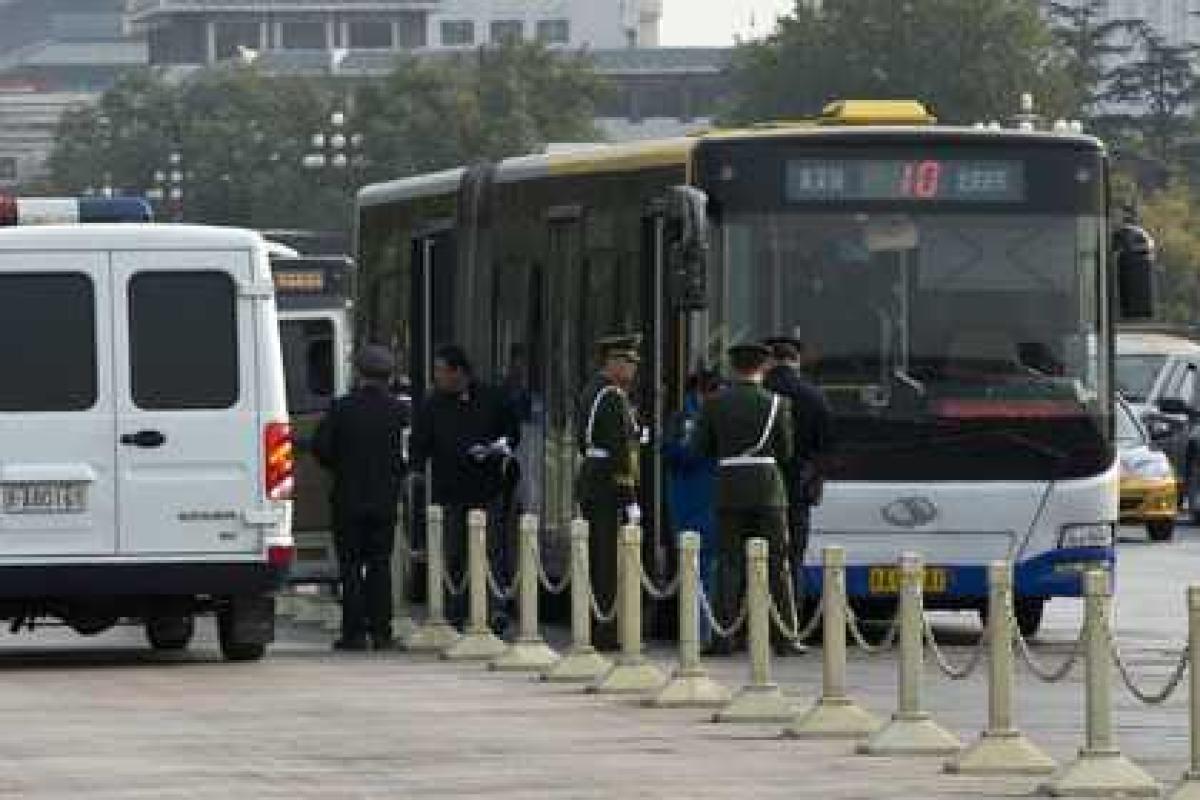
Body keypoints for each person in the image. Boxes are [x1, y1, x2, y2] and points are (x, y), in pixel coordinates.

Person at [409, 344, 520, 631]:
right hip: (451, 491)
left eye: (441, 371)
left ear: (458, 372)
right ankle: (454, 612)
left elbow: (511, 433)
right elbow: (420, 443)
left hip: (488, 487)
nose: (437, 377)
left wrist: (497, 447)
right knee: (454, 553)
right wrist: (417, 471)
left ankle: (494, 611)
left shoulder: (492, 397)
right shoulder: (432, 404)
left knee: (492, 551)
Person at [695, 342, 796, 656]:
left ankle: (724, 636)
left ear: (733, 367)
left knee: (729, 563)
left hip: (730, 487)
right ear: (763, 367)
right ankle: (784, 636)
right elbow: (786, 451)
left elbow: (702, 448)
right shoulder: (777, 403)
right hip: (767, 488)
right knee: (777, 563)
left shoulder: (713, 404)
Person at [312, 344, 410, 651]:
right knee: (380, 564)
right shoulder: (400, 411)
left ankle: (353, 633)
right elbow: (408, 455)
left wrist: (341, 466)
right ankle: (381, 631)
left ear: (359, 373)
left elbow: (322, 448)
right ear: (389, 375)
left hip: (348, 498)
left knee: (350, 565)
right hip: (384, 499)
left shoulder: (341, 408)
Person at [576, 334, 642, 651]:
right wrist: (629, 497)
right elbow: (620, 451)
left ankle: (600, 625)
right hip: (606, 485)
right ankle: (605, 631)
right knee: (605, 561)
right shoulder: (612, 396)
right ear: (613, 363)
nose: (632, 369)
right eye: (628, 362)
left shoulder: (593, 391)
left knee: (598, 556)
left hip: (592, 477)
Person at [763, 336, 833, 618]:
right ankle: (790, 622)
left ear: (770, 361)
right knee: (792, 559)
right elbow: (826, 448)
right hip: (797, 489)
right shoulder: (814, 396)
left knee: (754, 556)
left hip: (761, 486)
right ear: (797, 361)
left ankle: (749, 625)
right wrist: (815, 482)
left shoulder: (762, 391)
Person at [663, 369, 721, 647]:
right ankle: (698, 633)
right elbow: (672, 452)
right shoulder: (682, 419)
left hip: (708, 498)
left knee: (709, 566)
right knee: (698, 565)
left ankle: (705, 631)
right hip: (691, 499)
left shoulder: (705, 417)